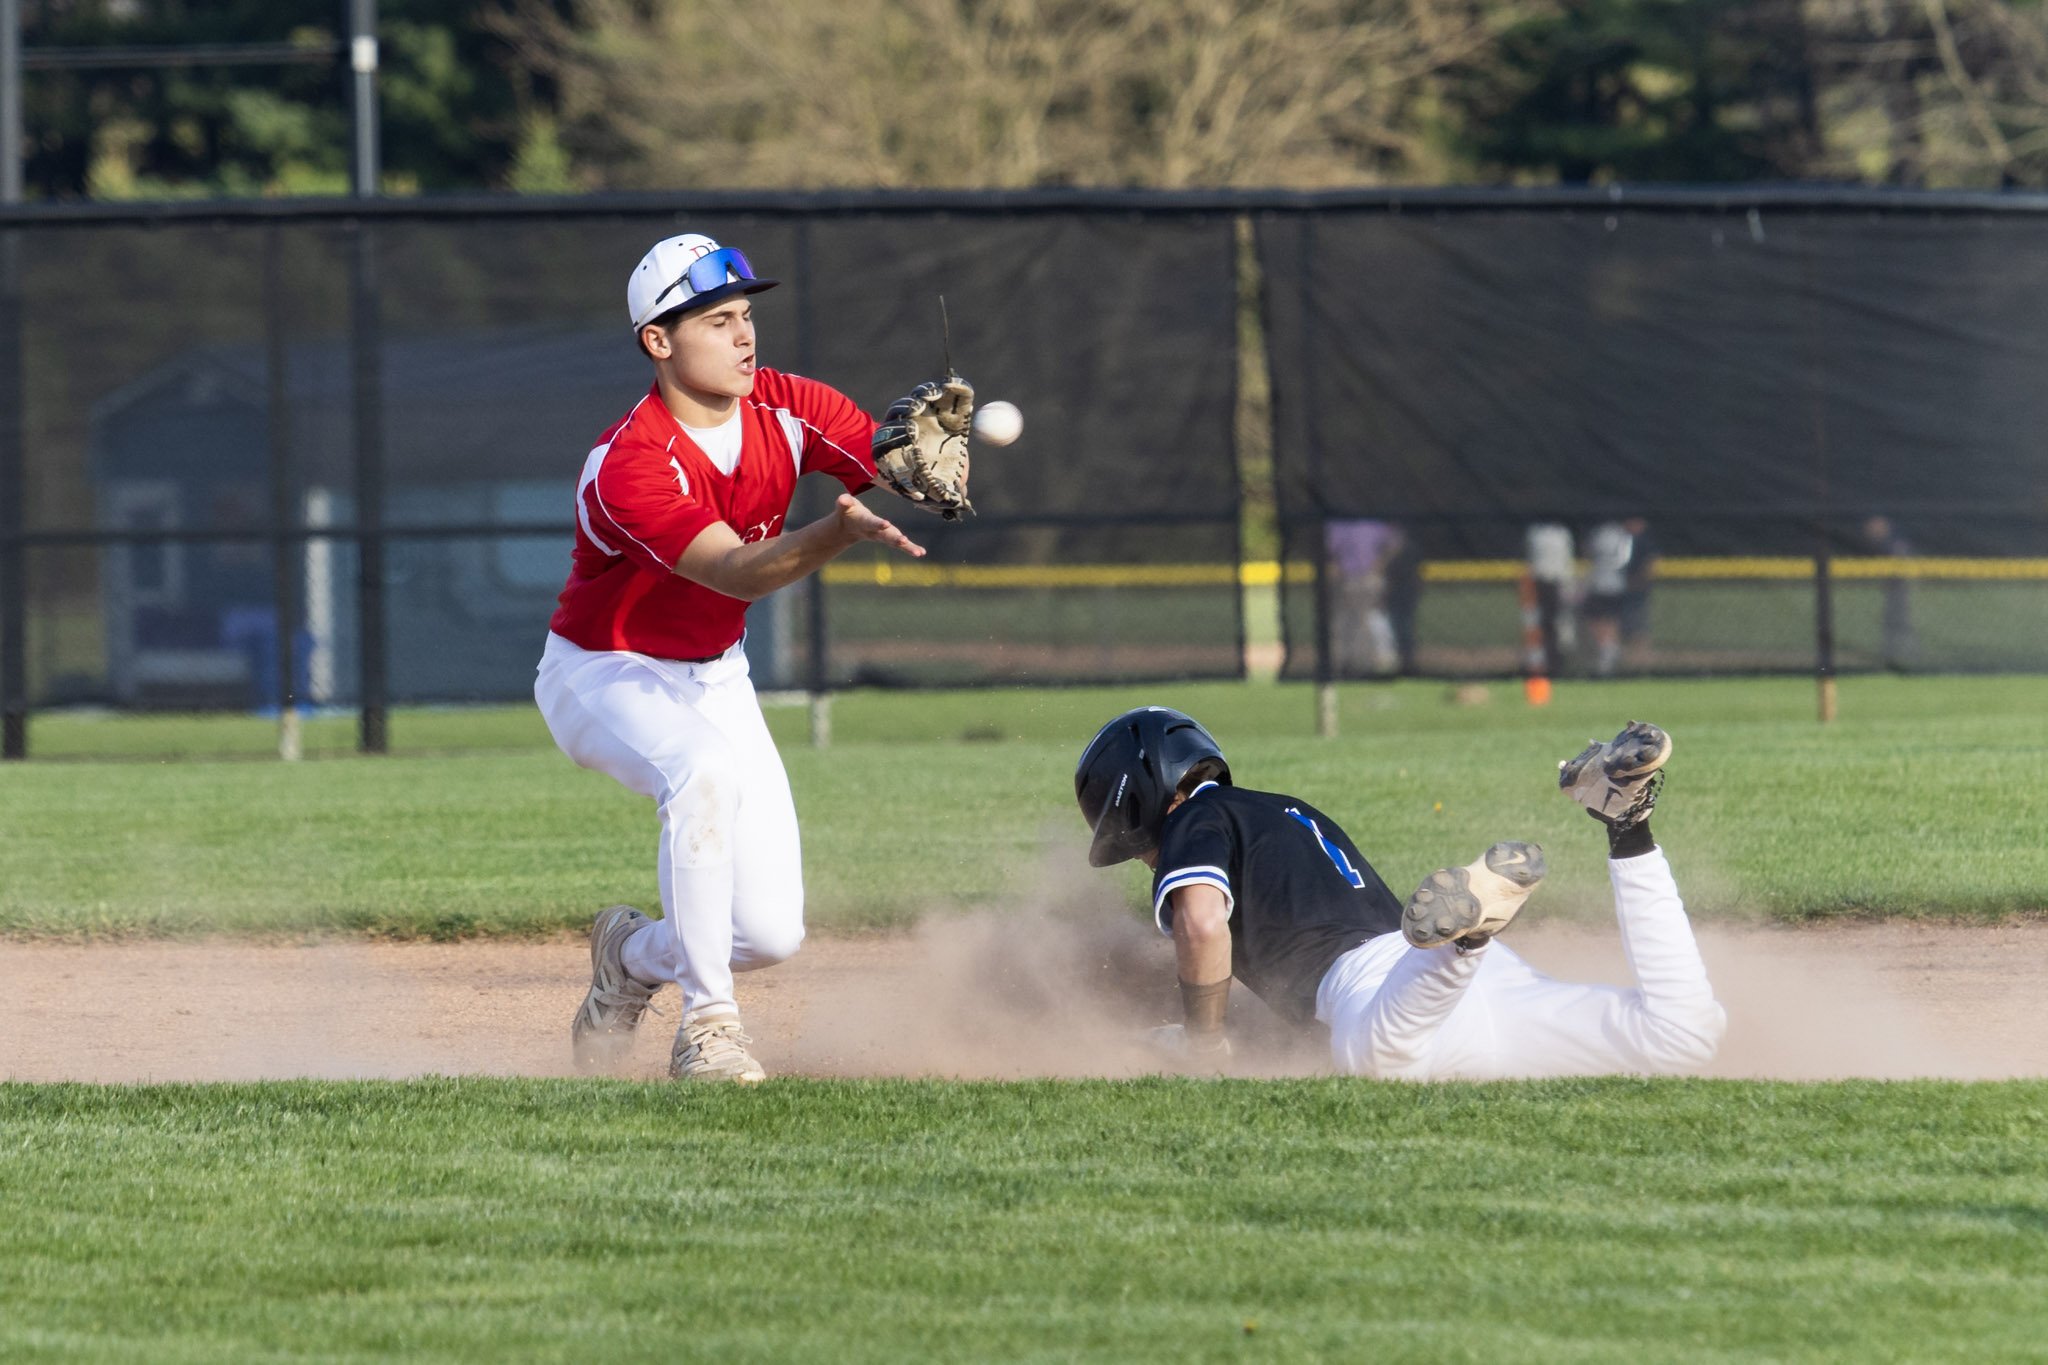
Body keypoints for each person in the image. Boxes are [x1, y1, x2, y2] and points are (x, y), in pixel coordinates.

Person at [537, 233, 964, 1083]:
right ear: (657, 341)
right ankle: (709, 1027)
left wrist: (918, 465)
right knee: (699, 771)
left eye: (746, 316)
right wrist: (835, 530)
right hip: (605, 670)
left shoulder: (785, 404)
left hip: (715, 673)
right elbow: (734, 570)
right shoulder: (628, 465)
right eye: (717, 319)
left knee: (768, 933)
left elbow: (880, 455)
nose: (744, 336)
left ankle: (629, 958)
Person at [1074, 708, 1725, 1080]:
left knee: (1379, 1056)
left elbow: (1202, 925)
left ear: (1141, 805)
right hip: (1470, 994)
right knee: (1680, 1040)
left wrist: (1203, 1044)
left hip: (1381, 984)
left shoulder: (1194, 821)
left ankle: (1465, 937)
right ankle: (1626, 825)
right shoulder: (1286, 811)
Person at [1863, 514, 1916, 670]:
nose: (1872, 530)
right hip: (1892, 591)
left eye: (1876, 527)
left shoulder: (1893, 544)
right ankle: (1890, 654)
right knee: (1891, 623)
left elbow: (1903, 565)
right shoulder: (1883, 544)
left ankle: (1910, 655)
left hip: (1899, 591)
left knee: (1900, 623)